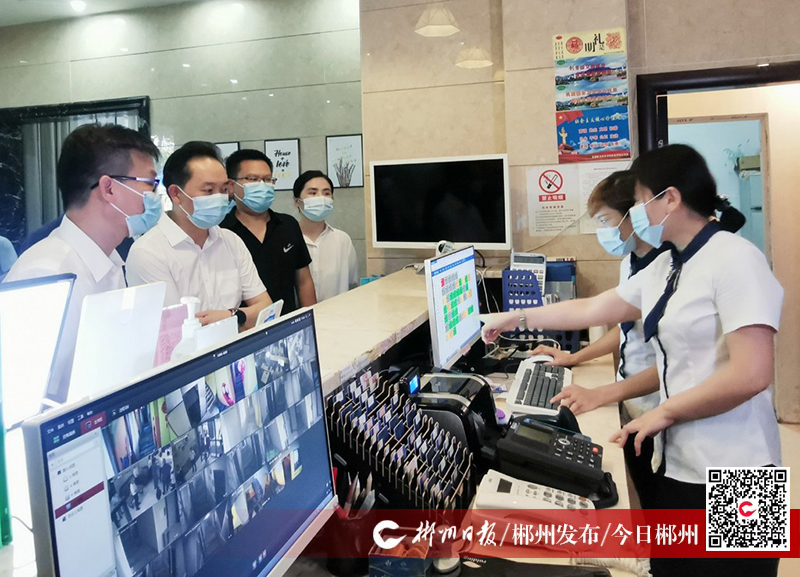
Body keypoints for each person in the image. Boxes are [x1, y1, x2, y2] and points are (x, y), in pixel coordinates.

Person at [482, 144, 782, 577]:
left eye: (641, 201)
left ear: (671, 198)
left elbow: (751, 374)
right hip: (682, 460)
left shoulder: (736, 259)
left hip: (742, 468)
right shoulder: (670, 266)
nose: (637, 212)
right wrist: (515, 317)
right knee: (672, 567)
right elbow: (593, 309)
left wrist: (665, 412)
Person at [532, 171, 667, 508]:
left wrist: (602, 393)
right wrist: (574, 358)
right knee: (664, 522)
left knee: (739, 535)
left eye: (606, 220)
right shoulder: (640, 263)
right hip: (655, 414)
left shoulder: (703, 265)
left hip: (728, 443)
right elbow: (624, 325)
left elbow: (684, 363)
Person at [4, 124, 162, 402]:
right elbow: (20, 402)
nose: (155, 196)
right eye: (150, 184)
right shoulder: (46, 273)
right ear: (109, 188)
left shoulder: (110, 260)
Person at [126, 142, 271, 329]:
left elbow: (266, 308)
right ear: (176, 194)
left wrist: (232, 315)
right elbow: (175, 330)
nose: (219, 197)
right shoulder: (148, 252)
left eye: (224, 190)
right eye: (208, 190)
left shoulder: (231, 241)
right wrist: (241, 318)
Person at [221, 149, 316, 313]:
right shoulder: (222, 231)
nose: (262, 185)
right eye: (253, 179)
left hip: (287, 322)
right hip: (243, 324)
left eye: (267, 179)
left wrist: (313, 316)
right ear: (231, 185)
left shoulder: (288, 225)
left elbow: (303, 281)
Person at [294, 170, 359, 302]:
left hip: (337, 312)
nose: (321, 198)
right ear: (297, 201)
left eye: (326, 193)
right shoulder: (288, 240)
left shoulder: (342, 240)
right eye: (313, 193)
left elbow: (353, 284)